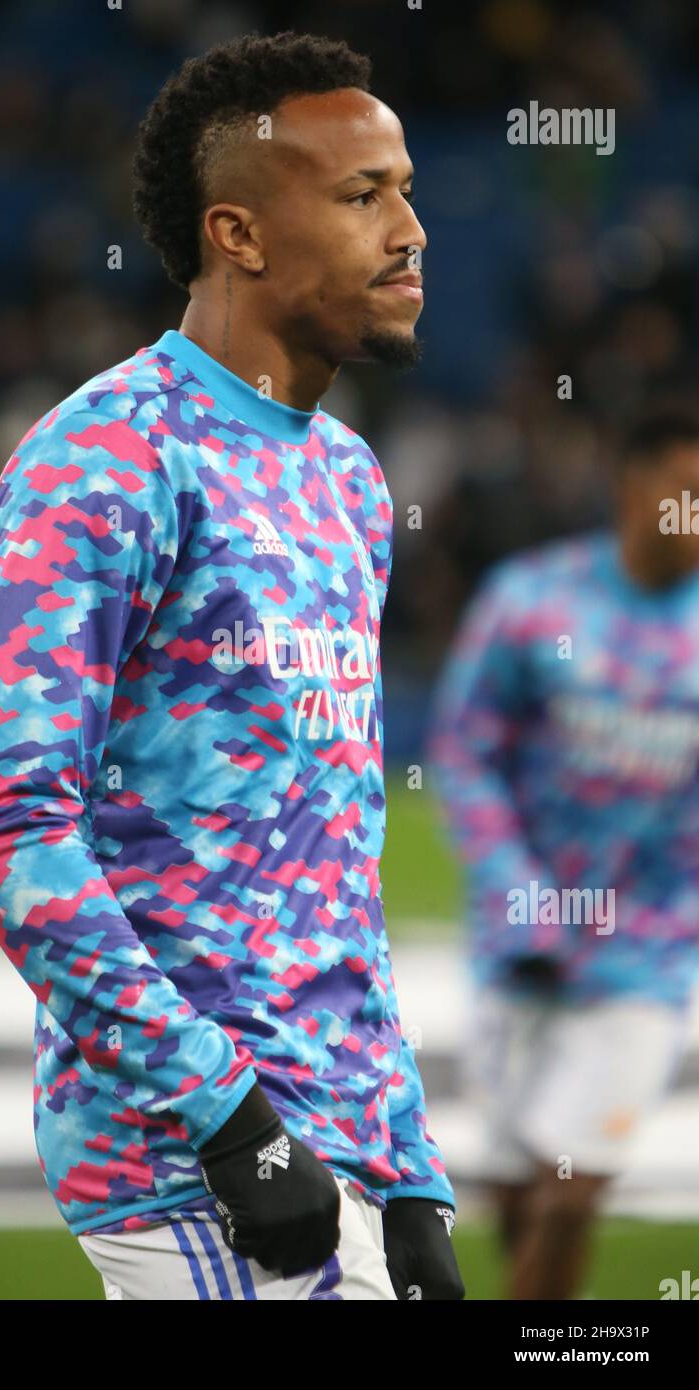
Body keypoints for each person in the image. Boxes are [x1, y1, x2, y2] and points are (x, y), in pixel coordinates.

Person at [0, 30, 463, 1301]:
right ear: (236, 233)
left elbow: (331, 849)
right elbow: (0, 820)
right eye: (360, 195)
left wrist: (405, 1169)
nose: (411, 231)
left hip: (336, 1149)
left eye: (402, 187)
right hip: (197, 1170)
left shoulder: (343, 475)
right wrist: (228, 1118)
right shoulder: (106, 459)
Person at [428, 405, 699, 1300]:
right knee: (516, 1193)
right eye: (687, 496)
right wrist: (519, 893)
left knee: (570, 1195)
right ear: (634, 485)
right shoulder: (534, 601)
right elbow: (464, 752)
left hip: (647, 952)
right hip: (525, 950)